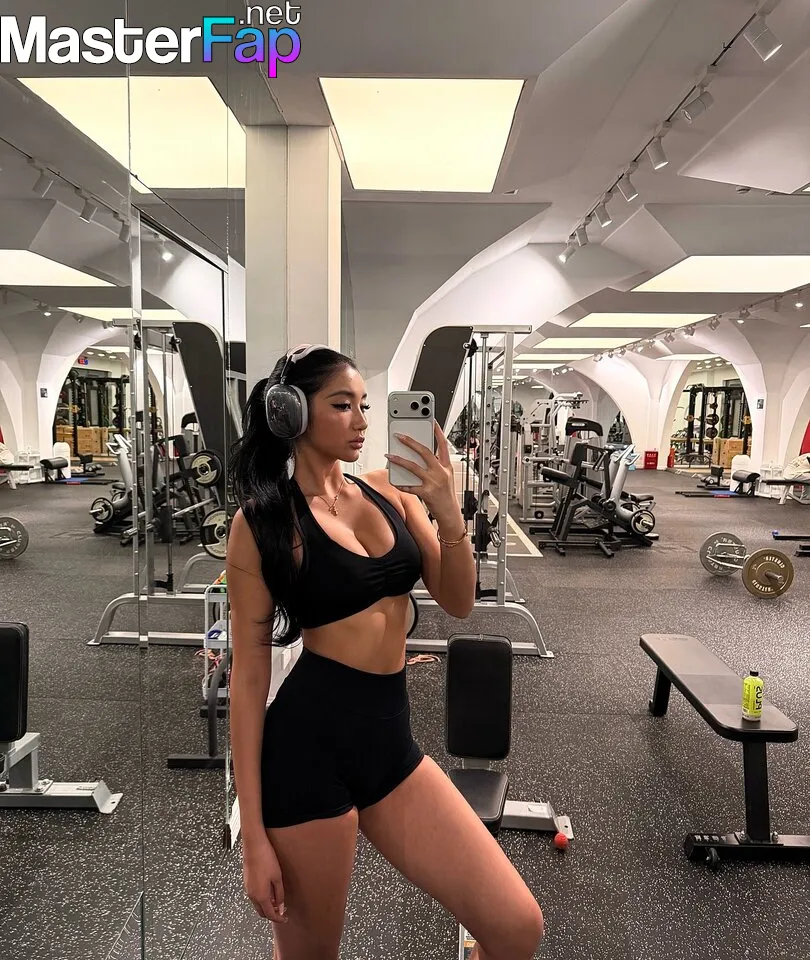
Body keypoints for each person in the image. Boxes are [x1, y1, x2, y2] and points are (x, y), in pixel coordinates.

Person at [227, 344, 544, 960]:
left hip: (389, 746)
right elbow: (248, 680)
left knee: (515, 927)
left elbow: (459, 600)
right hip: (306, 752)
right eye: (341, 405)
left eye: (365, 406)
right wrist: (254, 837)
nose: (362, 421)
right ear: (292, 413)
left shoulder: (388, 493)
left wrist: (447, 510)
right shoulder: (264, 522)